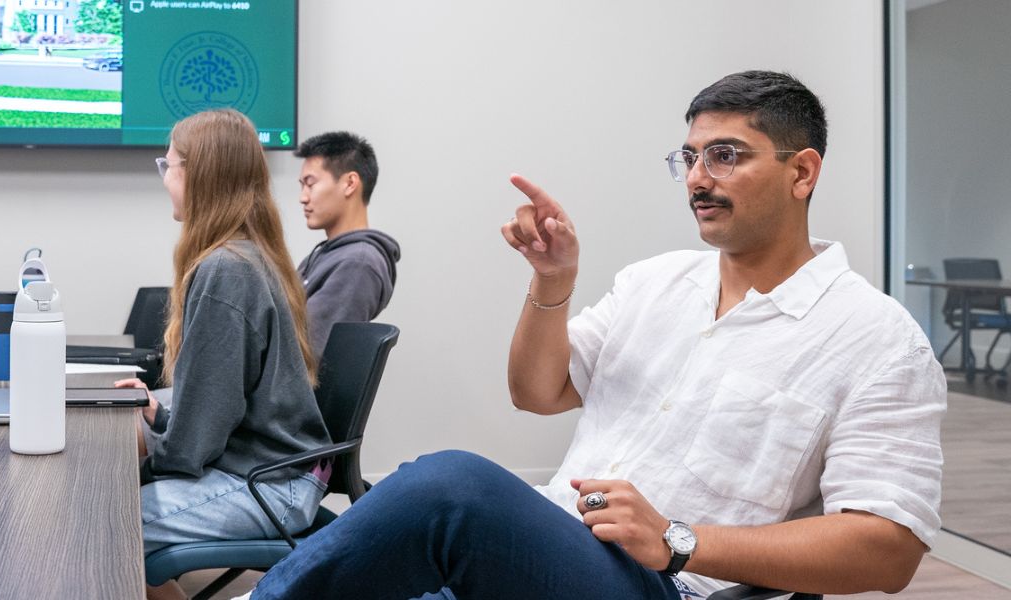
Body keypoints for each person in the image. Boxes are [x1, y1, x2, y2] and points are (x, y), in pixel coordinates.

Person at [245, 71, 945, 599]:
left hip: (670, 585)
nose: (698, 178)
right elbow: (536, 391)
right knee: (408, 513)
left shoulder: (877, 340)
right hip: (557, 551)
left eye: (726, 155)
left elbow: (889, 547)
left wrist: (678, 540)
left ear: (802, 172)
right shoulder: (656, 283)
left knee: (450, 484)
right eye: (691, 157)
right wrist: (552, 283)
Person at [114, 109, 332, 600]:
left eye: (167, 165)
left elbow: (193, 448)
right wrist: (162, 414)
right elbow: (226, 408)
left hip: (270, 485)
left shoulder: (224, 271)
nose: (164, 177)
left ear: (198, 174)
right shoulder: (246, 255)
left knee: (102, 523)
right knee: (107, 507)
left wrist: (141, 461)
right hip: (275, 472)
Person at [293, 131, 400, 355]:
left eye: (310, 184)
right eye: (302, 185)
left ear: (350, 183)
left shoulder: (357, 263)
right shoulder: (327, 256)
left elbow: (302, 357)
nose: (303, 197)